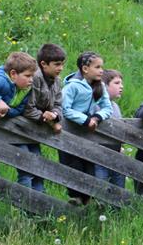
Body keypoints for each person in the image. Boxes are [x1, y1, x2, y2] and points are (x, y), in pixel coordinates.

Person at [60, 51, 112, 205]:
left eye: (102, 67)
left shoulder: (100, 86)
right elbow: (65, 109)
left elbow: (107, 108)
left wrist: (97, 117)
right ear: (85, 69)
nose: (101, 70)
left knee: (89, 164)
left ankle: (88, 199)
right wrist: (85, 120)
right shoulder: (72, 86)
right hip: (70, 132)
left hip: (88, 134)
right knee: (73, 163)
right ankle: (75, 197)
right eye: (97, 67)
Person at [20, 43, 65, 191]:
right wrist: (43, 116)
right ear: (44, 64)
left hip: (35, 131)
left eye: (62, 64)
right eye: (57, 64)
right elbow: (28, 107)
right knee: (26, 168)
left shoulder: (57, 81)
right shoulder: (35, 79)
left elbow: (58, 104)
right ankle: (25, 200)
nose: (61, 68)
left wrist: (55, 115)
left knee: (38, 166)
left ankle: (38, 200)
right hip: (21, 128)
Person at [94, 69, 125, 189]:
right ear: (104, 86)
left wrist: (120, 145)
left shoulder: (115, 106)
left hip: (116, 154)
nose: (121, 86)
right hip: (99, 154)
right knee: (101, 187)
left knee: (118, 187)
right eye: (116, 83)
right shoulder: (96, 105)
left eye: (121, 83)